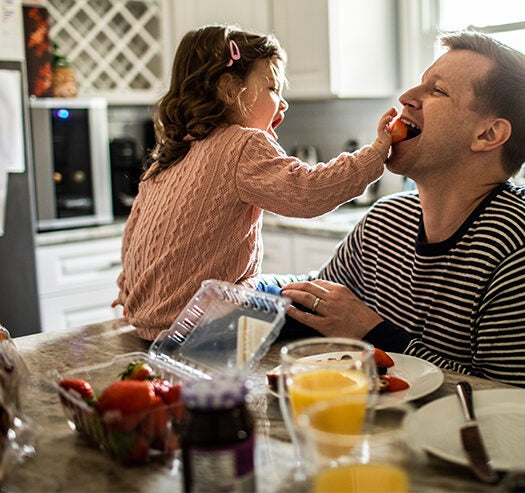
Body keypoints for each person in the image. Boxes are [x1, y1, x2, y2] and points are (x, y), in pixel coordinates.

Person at [263, 31, 525, 401]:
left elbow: (524, 414)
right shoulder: (386, 221)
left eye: (436, 91)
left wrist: (372, 332)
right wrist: (234, 288)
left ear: (488, 134)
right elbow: (319, 302)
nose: (407, 97)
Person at [115, 25, 393, 341]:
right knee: (323, 308)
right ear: (230, 89)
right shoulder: (243, 145)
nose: (283, 103)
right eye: (273, 88)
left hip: (151, 324)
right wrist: (376, 154)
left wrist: (130, 290)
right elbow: (307, 192)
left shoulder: (167, 156)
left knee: (292, 285)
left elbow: (133, 238)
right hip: (209, 321)